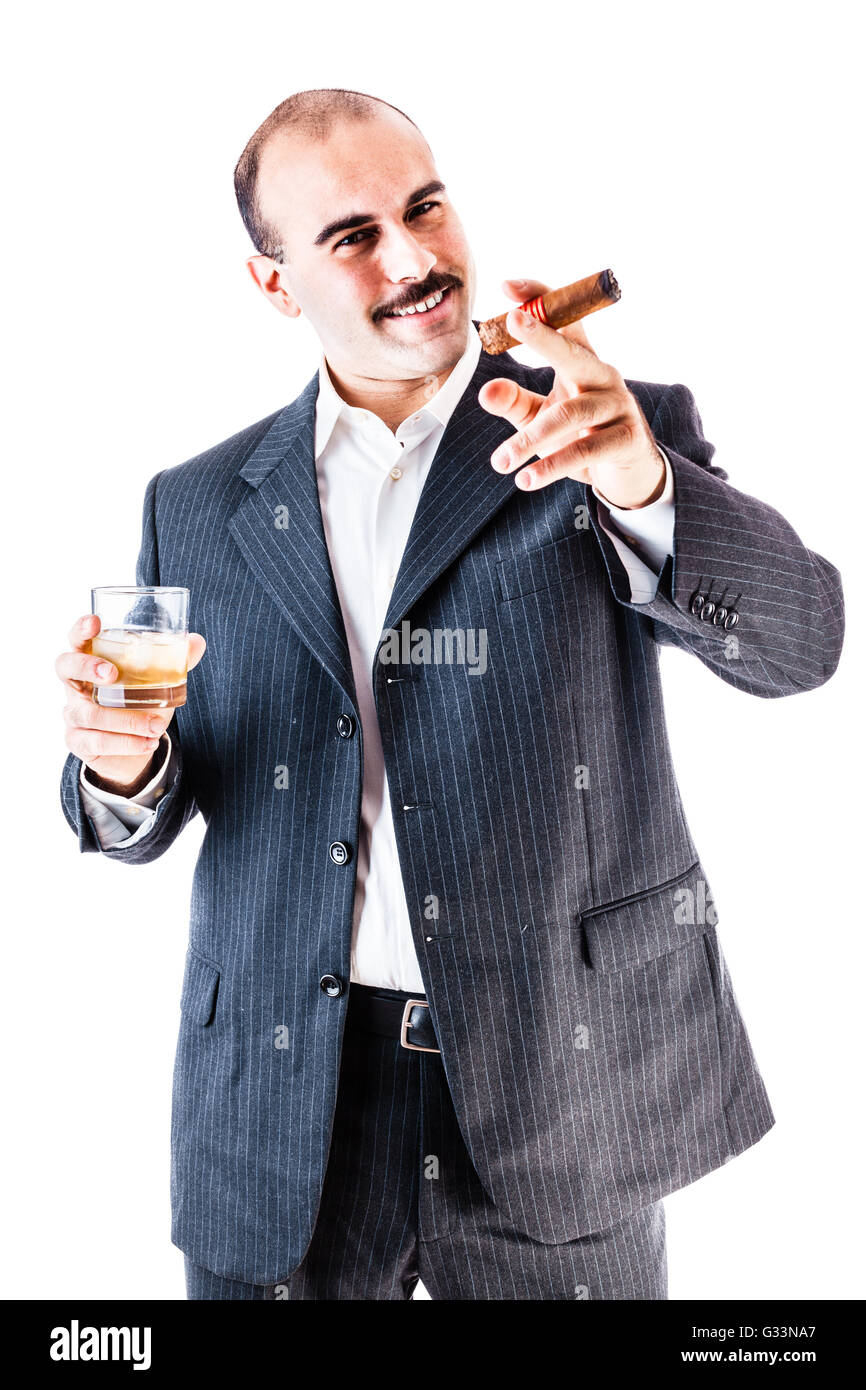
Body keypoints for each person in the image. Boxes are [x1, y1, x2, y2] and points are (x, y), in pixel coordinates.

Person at [57, 88, 844, 1301]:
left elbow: (800, 647)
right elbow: (149, 809)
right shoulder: (197, 505)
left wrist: (639, 478)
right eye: (352, 234)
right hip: (286, 1107)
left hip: (562, 1086)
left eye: (424, 206)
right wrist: (118, 767)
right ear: (275, 284)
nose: (416, 258)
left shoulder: (597, 427)